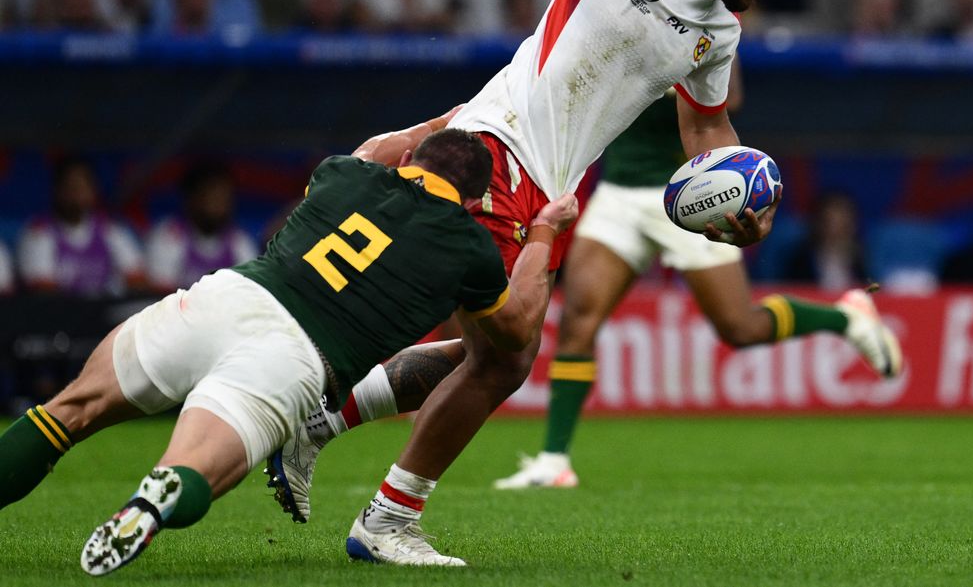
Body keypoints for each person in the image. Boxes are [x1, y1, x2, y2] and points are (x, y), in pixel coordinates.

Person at [266, 0, 897, 567]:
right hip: (498, 154)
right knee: (500, 355)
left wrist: (739, 197)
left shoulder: (719, 32)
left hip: (548, 188)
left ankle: (322, 422)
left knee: (489, 350)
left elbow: (705, 126)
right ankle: (378, 507)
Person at [0, 129, 579, 576]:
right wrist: (547, 230)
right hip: (291, 357)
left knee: (66, 412)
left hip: (223, 299)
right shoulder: (469, 244)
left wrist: (442, 121)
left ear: (410, 162)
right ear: (476, 204)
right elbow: (516, 328)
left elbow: (383, 148)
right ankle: (160, 495)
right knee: (193, 465)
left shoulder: (342, 175)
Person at [494, 88, 901, 490]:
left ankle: (845, 317)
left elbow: (732, 98)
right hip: (619, 192)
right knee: (578, 322)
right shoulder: (615, 22)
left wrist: (672, 82)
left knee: (740, 327)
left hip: (695, 196)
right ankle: (553, 462)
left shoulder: (711, 25)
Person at [17, 156, 145, 296]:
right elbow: (44, 292)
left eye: (82, 187)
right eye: (70, 187)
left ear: (93, 191)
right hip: (59, 313)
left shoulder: (111, 229)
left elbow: (138, 281)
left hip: (106, 311)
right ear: (57, 190)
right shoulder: (39, 232)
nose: (76, 194)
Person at [145, 163, 258, 292]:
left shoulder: (240, 241)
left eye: (225, 199)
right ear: (193, 198)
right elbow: (161, 296)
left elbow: (249, 293)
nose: (220, 207)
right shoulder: (169, 236)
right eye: (214, 198)